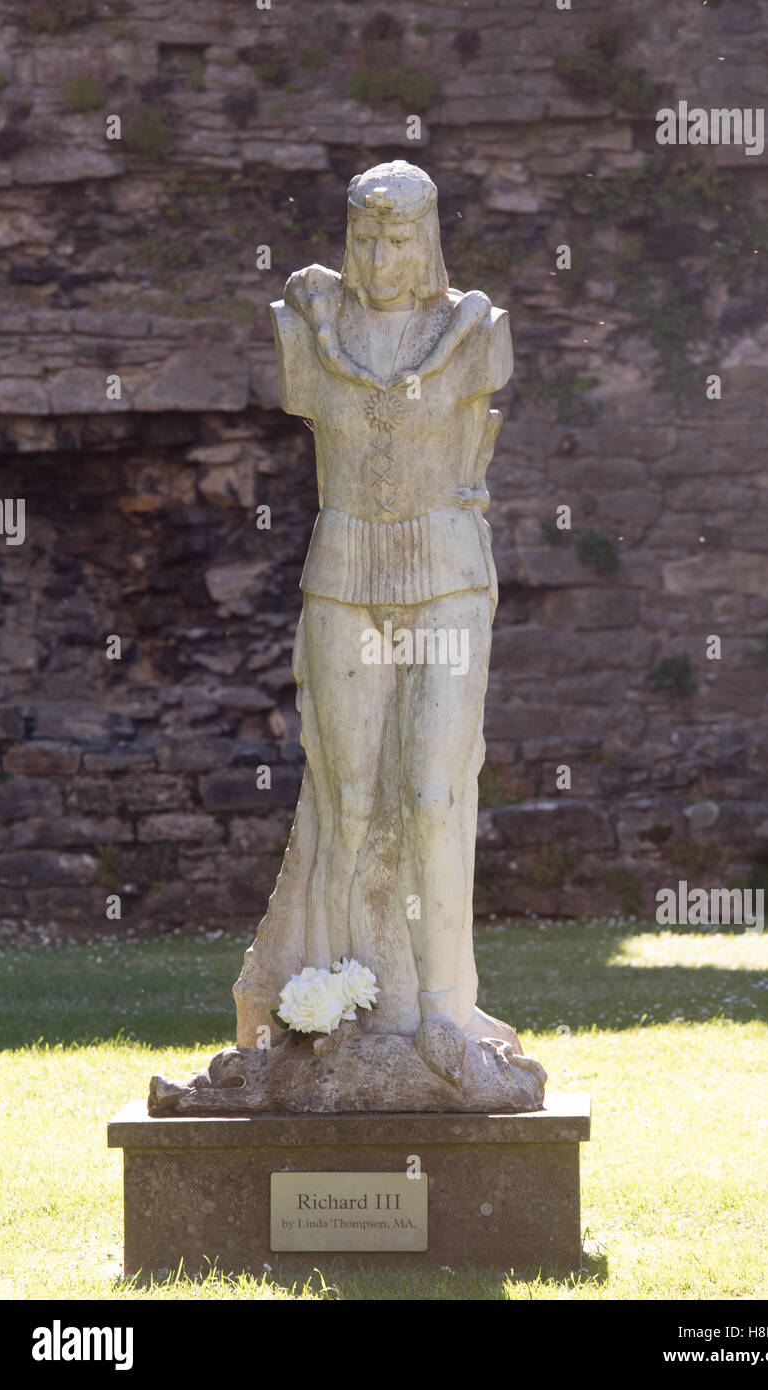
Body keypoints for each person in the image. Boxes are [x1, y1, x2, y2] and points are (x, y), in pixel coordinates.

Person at [234, 161, 516, 1047]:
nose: (382, 256)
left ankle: (445, 1014)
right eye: (365, 238)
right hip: (345, 572)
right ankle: (342, 1003)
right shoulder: (308, 324)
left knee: (434, 792)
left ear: (427, 239)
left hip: (446, 574)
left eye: (398, 239)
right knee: (343, 799)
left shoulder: (476, 332)